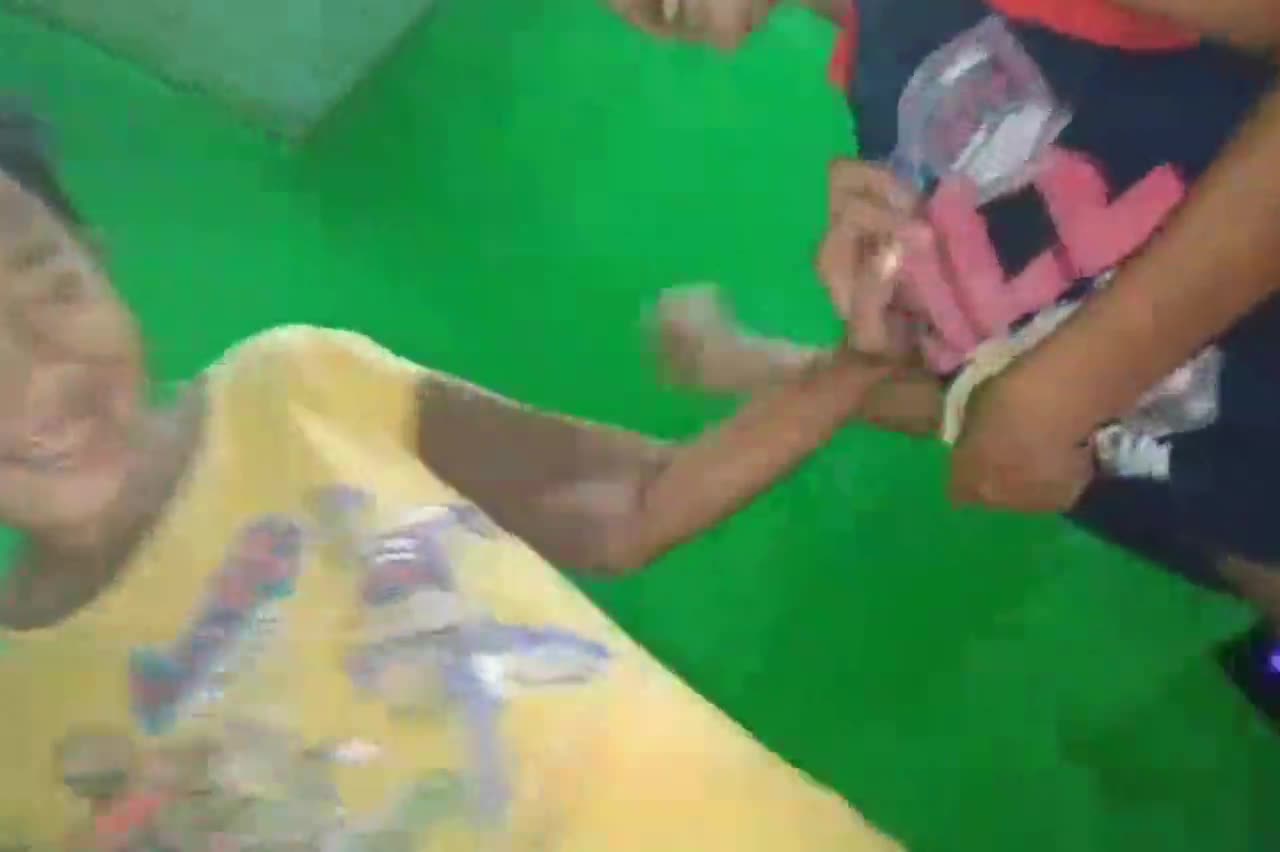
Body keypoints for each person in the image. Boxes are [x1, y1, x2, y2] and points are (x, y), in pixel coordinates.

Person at [0, 108, 909, 849]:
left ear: (98, 259)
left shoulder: (292, 385)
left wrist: (860, 362)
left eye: (51, 288)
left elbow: (627, 505)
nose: (34, 372)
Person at [608, 0, 1280, 644]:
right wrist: (766, 366)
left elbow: (1039, 400)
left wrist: (1061, 391)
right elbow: (1001, 400)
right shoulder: (888, 115)